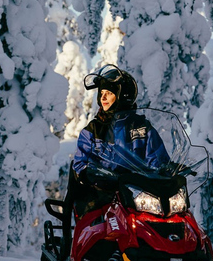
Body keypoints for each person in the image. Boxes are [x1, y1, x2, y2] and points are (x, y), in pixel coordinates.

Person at [66, 64, 170, 216]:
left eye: (109, 93)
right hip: (101, 197)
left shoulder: (141, 127)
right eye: (101, 93)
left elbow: (157, 159)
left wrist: (166, 170)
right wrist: (93, 174)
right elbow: (81, 163)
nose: (103, 98)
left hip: (137, 197)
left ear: (122, 96)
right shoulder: (93, 130)